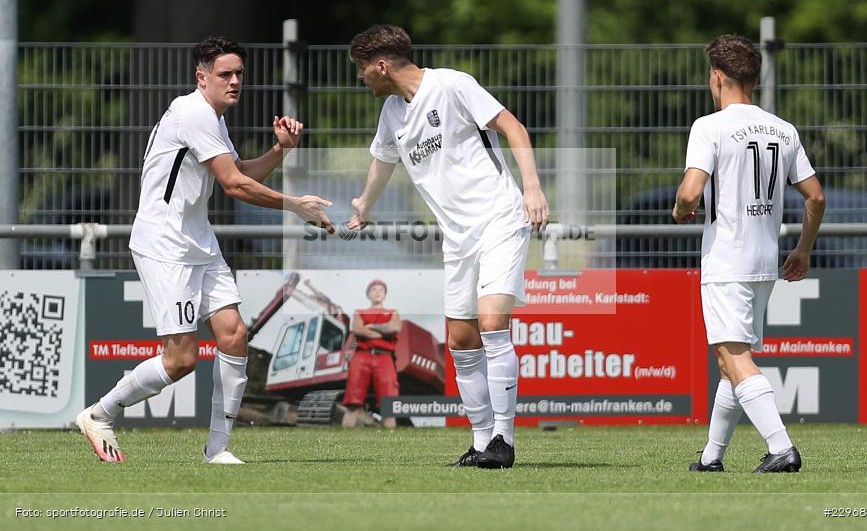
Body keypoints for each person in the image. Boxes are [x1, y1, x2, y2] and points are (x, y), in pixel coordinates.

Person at [75, 36, 335, 464]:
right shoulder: (194, 113)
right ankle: (100, 414)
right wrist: (296, 206)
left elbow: (238, 172)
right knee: (181, 360)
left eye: (239, 74)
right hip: (166, 245)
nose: (234, 82)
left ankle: (218, 449)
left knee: (233, 335)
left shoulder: (211, 117)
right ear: (202, 77)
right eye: (224, 74)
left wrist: (279, 150)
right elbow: (234, 185)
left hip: (198, 240)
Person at [347, 25, 549, 468]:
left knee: (493, 324)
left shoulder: (453, 84)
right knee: (460, 340)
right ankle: (481, 443)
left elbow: (512, 126)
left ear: (381, 65)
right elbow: (383, 163)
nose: (361, 78)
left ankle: (504, 440)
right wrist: (364, 205)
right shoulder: (392, 116)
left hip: (499, 216)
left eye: (363, 69)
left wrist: (532, 189)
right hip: (457, 236)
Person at [673, 34, 826, 473]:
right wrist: (803, 249)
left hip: (726, 259)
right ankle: (710, 458)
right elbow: (815, 197)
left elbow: (690, 190)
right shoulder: (783, 129)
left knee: (734, 356)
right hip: (764, 261)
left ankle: (782, 448)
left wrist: (683, 209)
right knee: (728, 361)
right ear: (754, 81)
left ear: (717, 78)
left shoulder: (710, 126)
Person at [342, 279, 401, 428]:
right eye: (374, 289)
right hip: (362, 356)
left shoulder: (392, 312)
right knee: (352, 403)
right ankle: (344, 444)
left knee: (389, 406)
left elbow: (394, 327)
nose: (377, 292)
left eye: (381, 289)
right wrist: (383, 333)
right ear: (368, 294)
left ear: (385, 295)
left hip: (385, 357)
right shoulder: (359, 312)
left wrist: (371, 326)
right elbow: (358, 329)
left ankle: (391, 446)